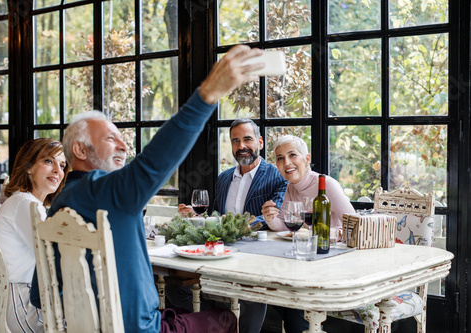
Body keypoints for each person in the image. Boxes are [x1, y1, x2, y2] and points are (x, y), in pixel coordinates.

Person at [29, 44, 267, 333]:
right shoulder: (108, 192)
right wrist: (207, 95)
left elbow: (39, 296)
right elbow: (153, 163)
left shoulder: (59, 205)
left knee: (178, 308)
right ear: (79, 149)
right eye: (110, 139)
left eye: (122, 139)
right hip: (142, 329)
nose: (123, 146)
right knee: (225, 318)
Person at [168, 118, 288, 333]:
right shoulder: (223, 178)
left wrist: (241, 227)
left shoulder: (276, 176)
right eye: (235, 141)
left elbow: (273, 216)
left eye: (247, 139)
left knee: (254, 295)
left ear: (260, 142)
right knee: (176, 288)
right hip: (219, 252)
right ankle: (223, 323)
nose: (241, 146)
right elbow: (216, 216)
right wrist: (195, 218)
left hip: (254, 255)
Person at [261, 134, 355, 333]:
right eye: (280, 158)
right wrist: (270, 218)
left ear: (307, 158)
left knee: (292, 299)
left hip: (330, 263)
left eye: (292, 155)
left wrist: (326, 234)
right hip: (305, 262)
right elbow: (288, 225)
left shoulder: (327, 185)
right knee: (272, 290)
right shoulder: (290, 187)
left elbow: (354, 224)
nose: (286, 162)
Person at [0, 138, 68, 332]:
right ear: (28, 167)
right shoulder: (27, 205)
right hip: (19, 305)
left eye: (63, 164)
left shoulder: (21, 201)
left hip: (5, 302)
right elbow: (58, 256)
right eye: (49, 161)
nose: (58, 171)